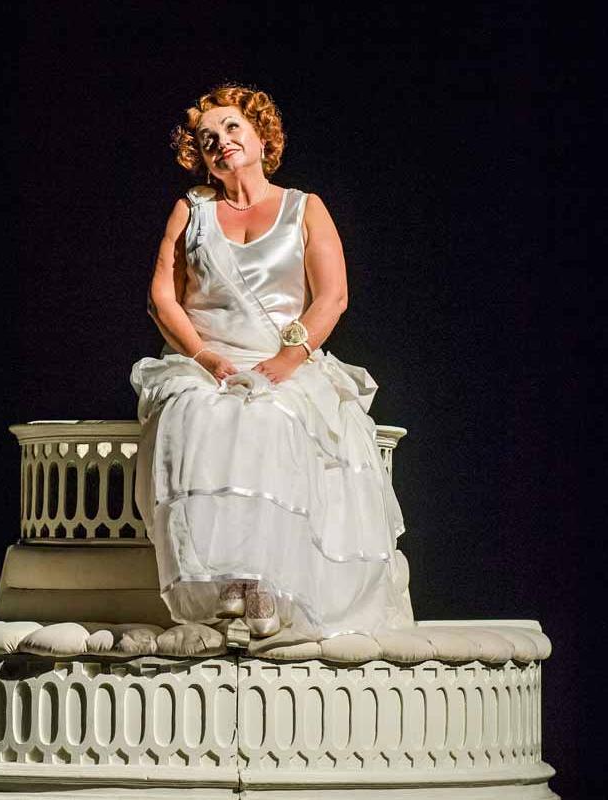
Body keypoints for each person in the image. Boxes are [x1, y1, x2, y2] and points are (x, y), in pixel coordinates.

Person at [130, 85, 413, 640]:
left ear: (261, 136)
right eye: (207, 137)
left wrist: (289, 359)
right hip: (207, 362)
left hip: (284, 358)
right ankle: (229, 579)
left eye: (233, 128)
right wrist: (206, 357)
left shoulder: (304, 208)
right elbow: (162, 296)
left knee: (273, 416)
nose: (221, 142)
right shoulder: (193, 210)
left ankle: (268, 580)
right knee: (196, 416)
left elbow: (331, 296)